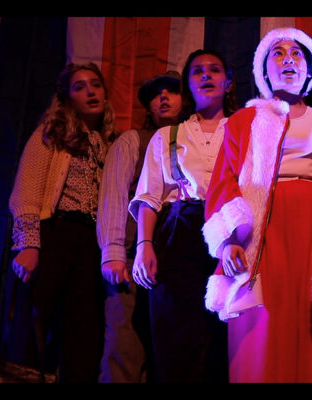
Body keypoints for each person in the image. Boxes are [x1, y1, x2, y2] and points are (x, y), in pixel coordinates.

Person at [201, 27, 312, 383]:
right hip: (262, 233)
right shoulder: (242, 122)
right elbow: (223, 181)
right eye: (277, 54)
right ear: (264, 72)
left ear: (308, 70)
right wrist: (230, 238)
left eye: (296, 54)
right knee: (266, 325)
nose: (288, 60)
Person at [128, 49, 236, 383]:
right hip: (180, 231)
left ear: (228, 82)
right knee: (177, 335)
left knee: (223, 338)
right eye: (197, 71)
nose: (206, 76)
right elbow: (149, 197)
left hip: (230, 233)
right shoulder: (167, 136)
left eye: (215, 70)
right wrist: (144, 245)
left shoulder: (243, 132)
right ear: (188, 85)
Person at [8, 62, 117, 382]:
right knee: (33, 326)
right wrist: (29, 243)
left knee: (83, 329)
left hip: (90, 244)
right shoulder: (51, 133)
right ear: (67, 98)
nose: (90, 91)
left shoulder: (110, 142)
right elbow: (25, 191)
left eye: (95, 84)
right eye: (80, 86)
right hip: (53, 234)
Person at [96, 70, 183, 382]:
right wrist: (113, 252)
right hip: (132, 257)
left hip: (175, 261)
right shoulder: (133, 140)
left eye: (172, 91)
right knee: (125, 346)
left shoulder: (194, 143)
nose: (163, 97)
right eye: (156, 94)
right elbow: (113, 197)